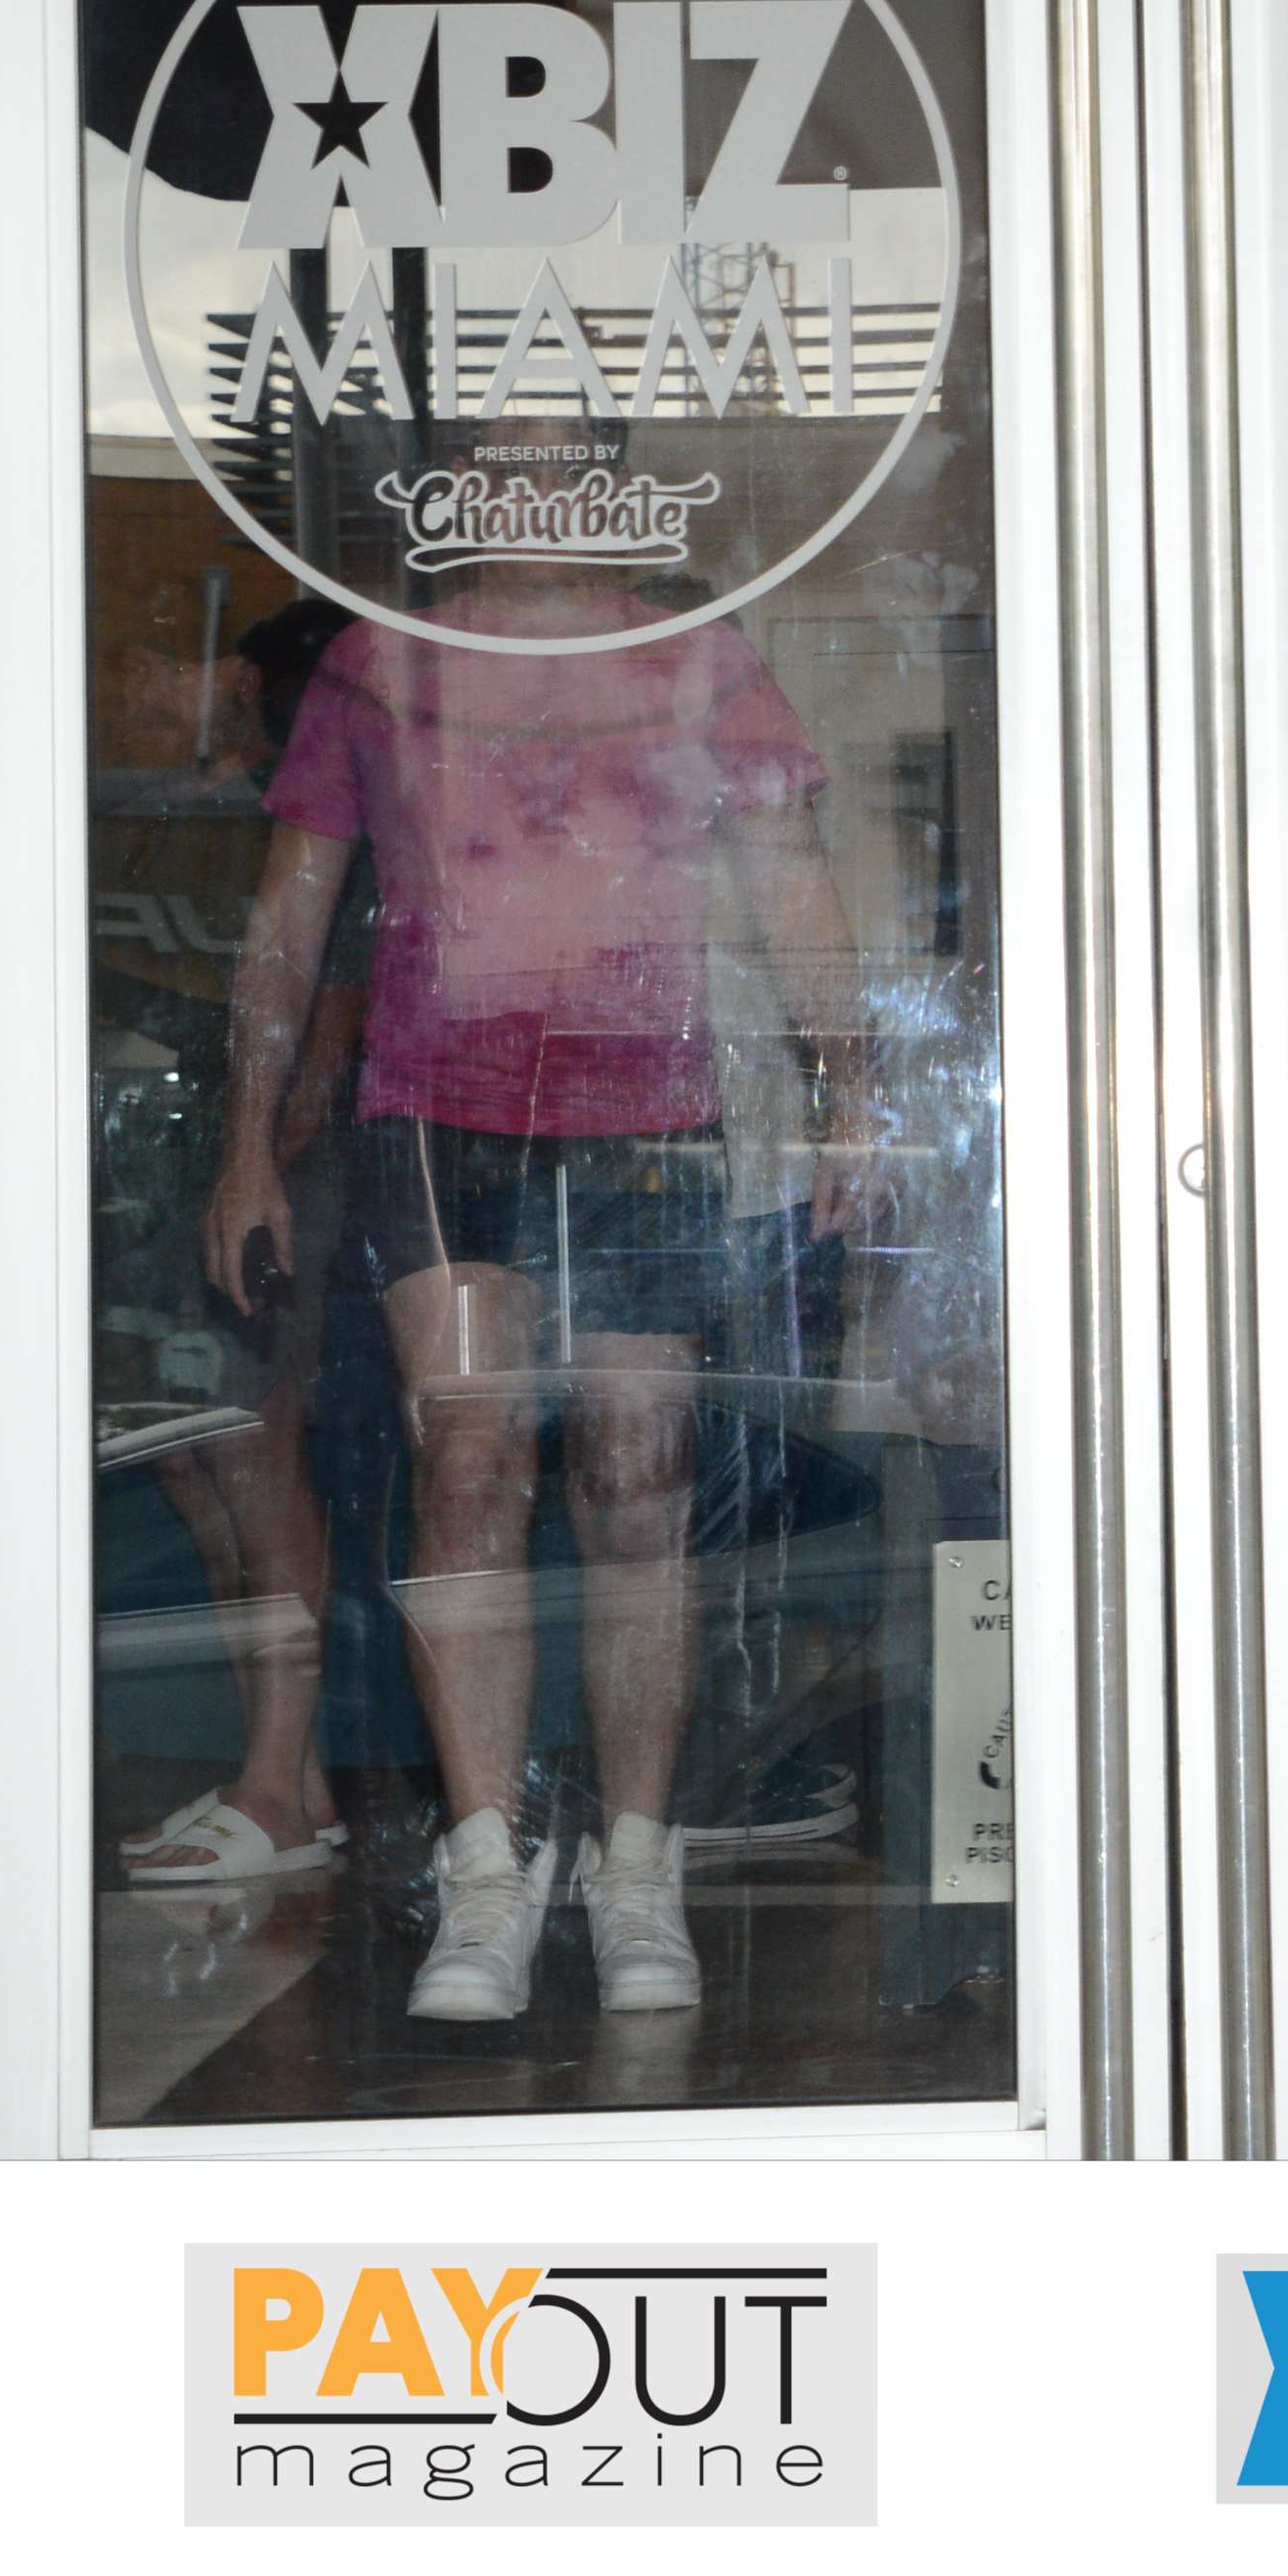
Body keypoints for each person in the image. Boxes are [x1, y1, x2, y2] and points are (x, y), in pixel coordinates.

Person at [201, 460, 886, 2026]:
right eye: (498, 453)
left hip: (644, 1107)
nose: (531, 490)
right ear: (456, 485)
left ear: (605, 478)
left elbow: (792, 878)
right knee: (467, 1469)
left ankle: (636, 1867)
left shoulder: (697, 657)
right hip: (437, 1111)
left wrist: (858, 1092)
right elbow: (291, 914)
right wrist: (246, 1140)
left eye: (558, 452)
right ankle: (488, 1871)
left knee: (640, 1475)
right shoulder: (382, 660)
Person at [95, 591, 359, 1886]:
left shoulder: (329, 819)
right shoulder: (204, 813)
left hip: (270, 1176)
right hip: (182, 1164)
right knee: (195, 1460)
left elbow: (327, 1032)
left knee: (257, 1453)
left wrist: (259, 1172)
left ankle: (277, 1775)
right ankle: (287, 1780)